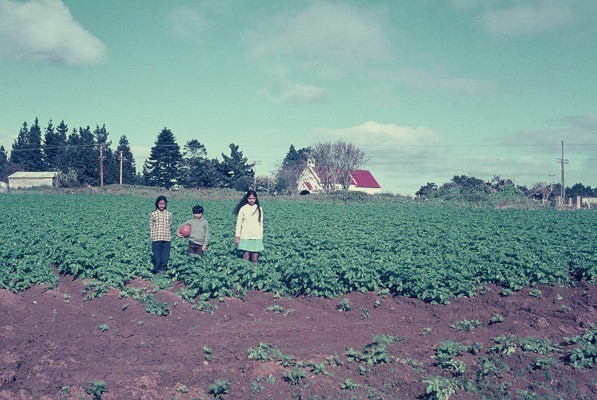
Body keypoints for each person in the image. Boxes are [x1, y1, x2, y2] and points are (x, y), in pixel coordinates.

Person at [233, 190, 264, 264]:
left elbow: (261, 224)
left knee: (255, 258)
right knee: (245, 257)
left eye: (253, 198)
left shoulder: (259, 209)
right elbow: (239, 223)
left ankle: (255, 273)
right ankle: (245, 272)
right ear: (247, 198)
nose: (251, 200)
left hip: (256, 237)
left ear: (256, 198)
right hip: (245, 236)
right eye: (249, 198)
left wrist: (261, 237)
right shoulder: (243, 208)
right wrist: (237, 236)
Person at [149, 195, 172, 274]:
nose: (161, 205)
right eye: (160, 204)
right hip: (156, 237)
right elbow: (151, 226)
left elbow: (170, 224)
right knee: (157, 255)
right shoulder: (154, 214)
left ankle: (163, 269)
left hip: (167, 237)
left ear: (165, 204)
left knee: (165, 255)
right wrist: (152, 236)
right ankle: (156, 269)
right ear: (157, 204)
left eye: (163, 204)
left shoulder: (169, 214)